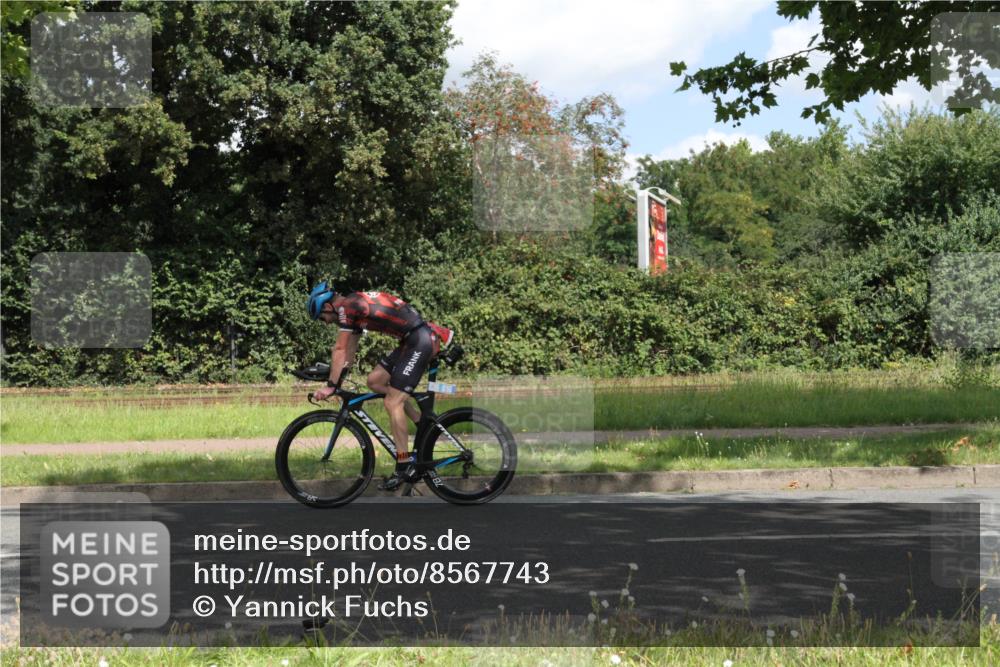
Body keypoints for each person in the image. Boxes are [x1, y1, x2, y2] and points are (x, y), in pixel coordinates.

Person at [306, 282, 454, 490]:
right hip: (412, 340)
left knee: (393, 403)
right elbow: (348, 352)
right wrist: (337, 382)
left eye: (322, 318)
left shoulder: (347, 308)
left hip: (420, 340)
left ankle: (403, 466)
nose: (325, 323)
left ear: (327, 306)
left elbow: (339, 348)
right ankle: (419, 420)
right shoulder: (352, 305)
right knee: (375, 381)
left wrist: (330, 386)